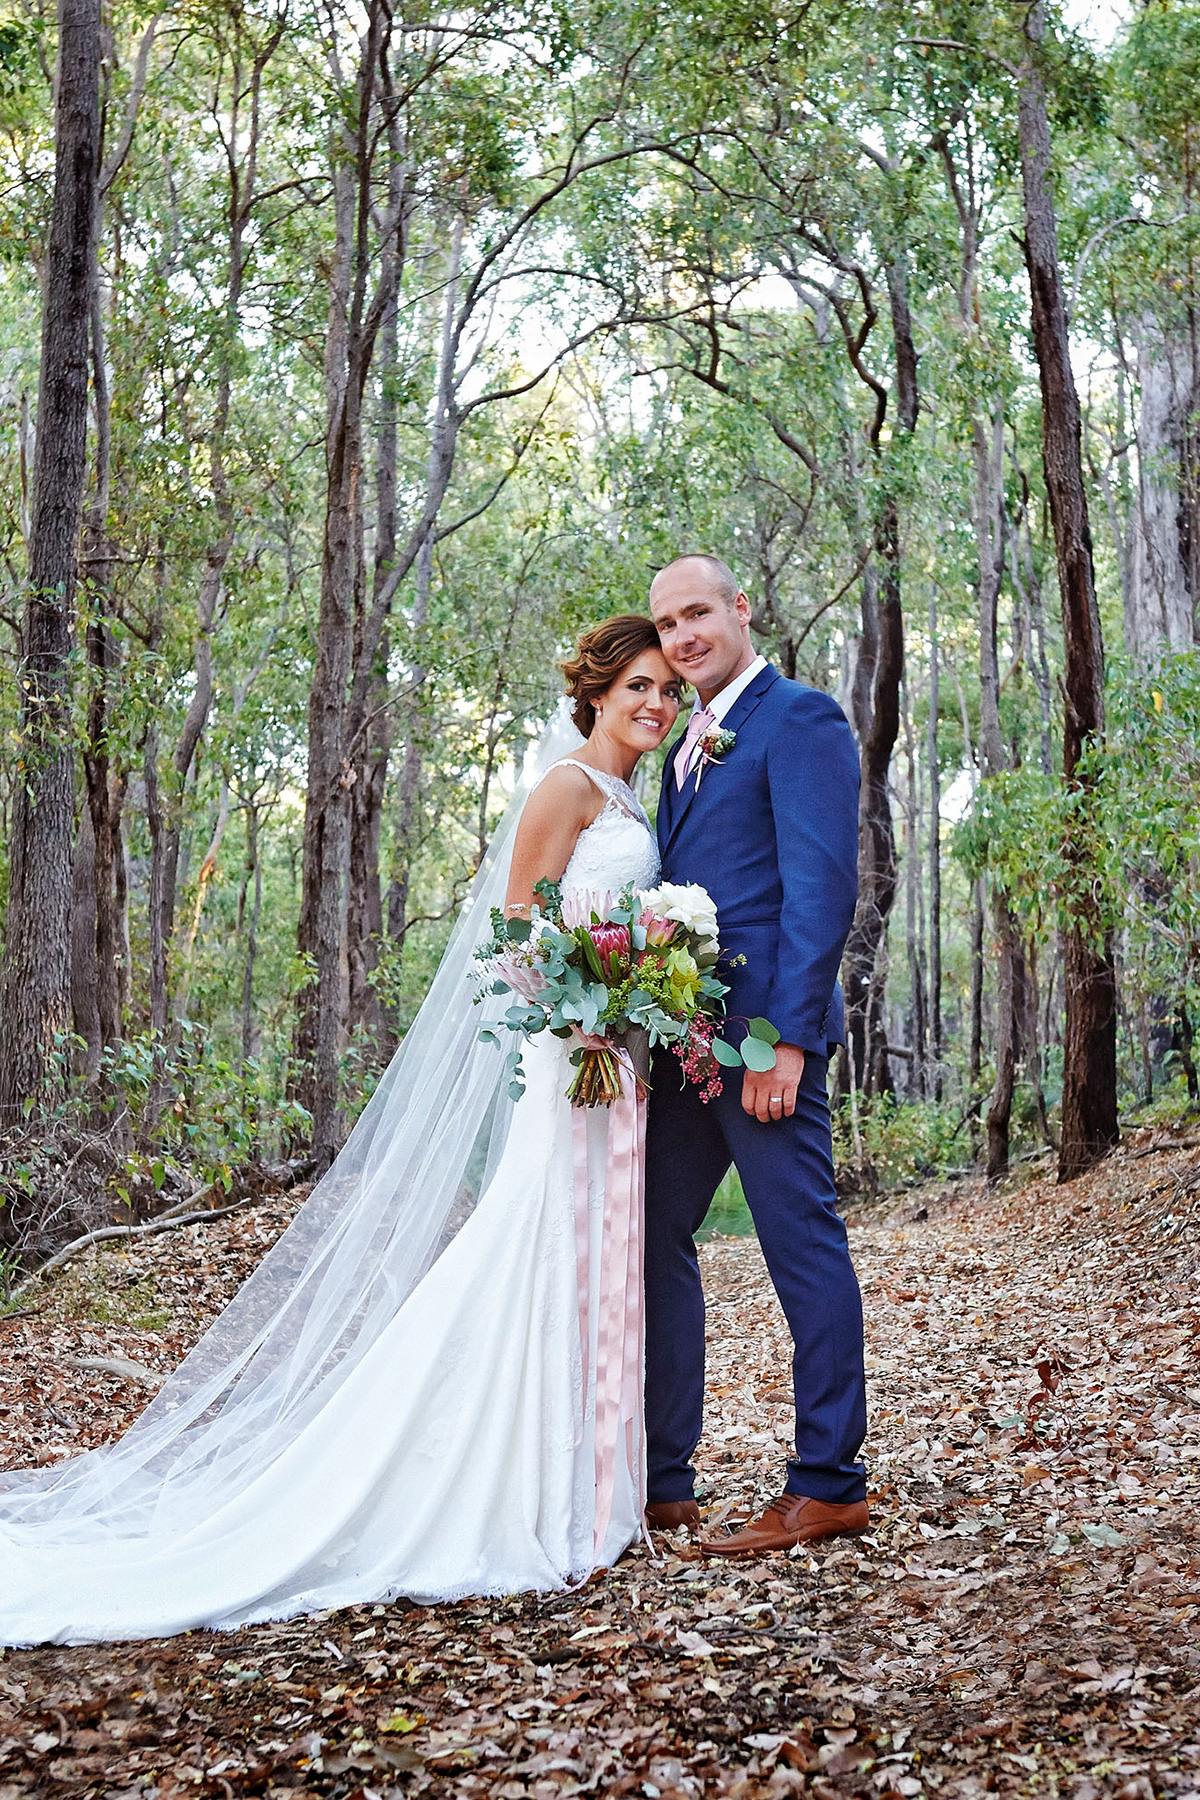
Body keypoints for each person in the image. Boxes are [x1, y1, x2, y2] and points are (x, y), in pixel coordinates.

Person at [0, 615, 679, 1646]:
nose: (655, 704)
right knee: (534, 1246)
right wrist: (585, 1012)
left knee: (590, 1259)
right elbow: (511, 937)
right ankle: (487, 1482)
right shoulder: (567, 790)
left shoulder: (634, 795)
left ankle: (583, 1484)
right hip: (566, 1060)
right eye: (638, 684)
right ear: (593, 690)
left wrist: (637, 1001)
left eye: (667, 690)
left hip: (612, 1060)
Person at [644, 552, 869, 1555]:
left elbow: (820, 891)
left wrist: (782, 1043)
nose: (683, 636)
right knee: (652, 1233)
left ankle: (828, 1481)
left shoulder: (801, 718)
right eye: (667, 625)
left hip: (763, 1046)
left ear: (740, 609)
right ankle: (663, 1480)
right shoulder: (682, 748)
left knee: (800, 1246)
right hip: (686, 1049)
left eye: (698, 613)